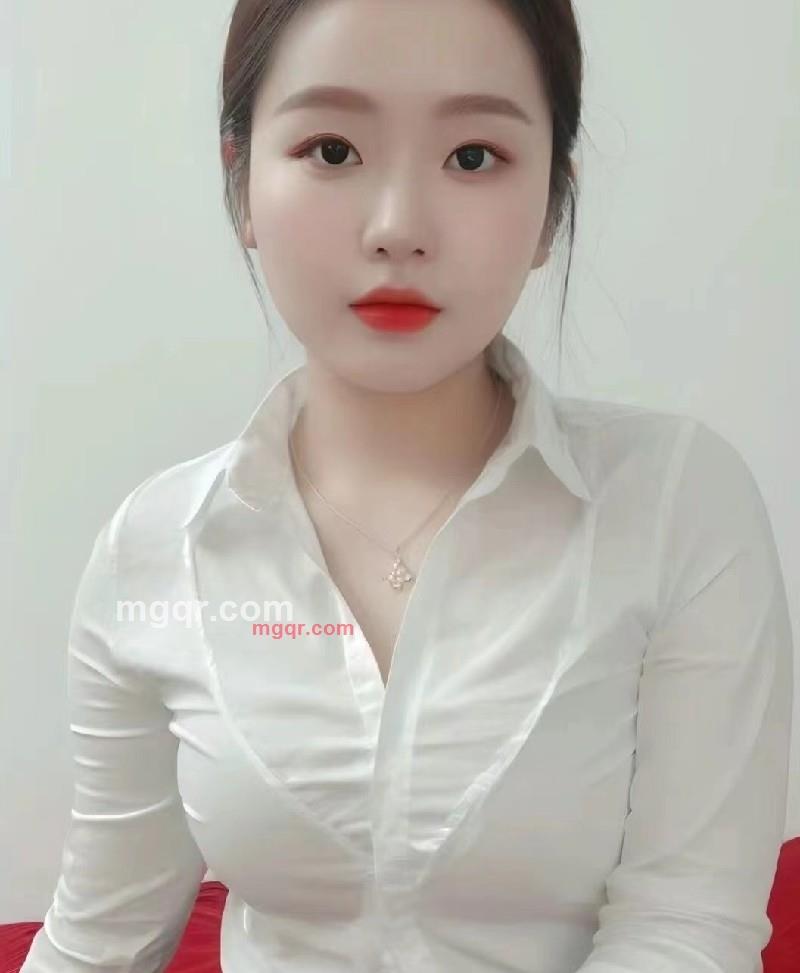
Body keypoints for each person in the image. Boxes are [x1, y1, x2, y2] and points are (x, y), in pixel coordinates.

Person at [21, 0, 794, 971]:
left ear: (551, 205)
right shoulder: (158, 547)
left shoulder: (678, 504)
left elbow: (688, 927)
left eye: (472, 157)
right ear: (243, 182)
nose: (397, 228)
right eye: (332, 150)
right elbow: (101, 938)